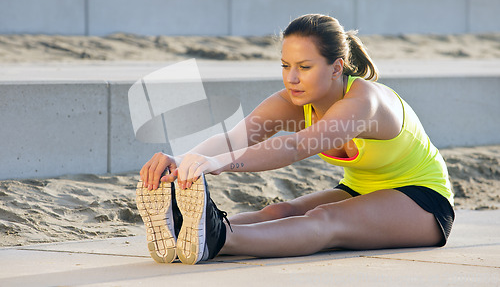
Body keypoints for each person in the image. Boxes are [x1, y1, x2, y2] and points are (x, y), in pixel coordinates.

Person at [136, 14, 455, 265]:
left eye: (304, 67)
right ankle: (186, 236)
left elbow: (296, 146)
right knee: (277, 212)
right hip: (362, 190)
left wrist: (217, 164)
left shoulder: (364, 103)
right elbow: (237, 136)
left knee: (326, 220)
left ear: (336, 68)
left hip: (423, 201)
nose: (291, 77)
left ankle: (219, 239)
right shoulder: (294, 99)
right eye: (286, 66)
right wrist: (181, 161)